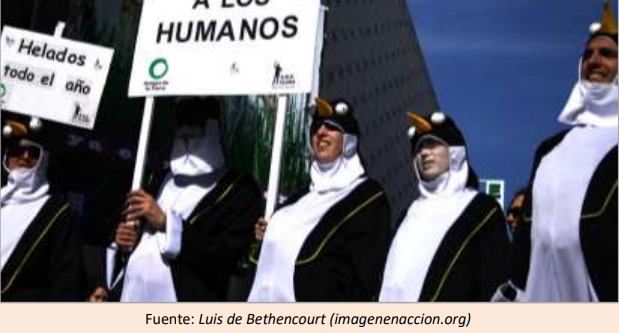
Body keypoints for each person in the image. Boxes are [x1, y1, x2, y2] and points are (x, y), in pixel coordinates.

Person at [502, 2, 618, 302]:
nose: (594, 61)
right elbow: (526, 241)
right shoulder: (550, 149)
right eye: (588, 54)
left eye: (607, 54)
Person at [112, 97, 264, 302]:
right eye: (181, 127)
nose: (186, 137)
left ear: (213, 131)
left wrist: (168, 223)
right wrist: (128, 239)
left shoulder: (239, 191)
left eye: (195, 129)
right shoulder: (157, 178)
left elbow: (222, 257)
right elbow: (138, 242)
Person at [247, 98, 391, 302]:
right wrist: (268, 236)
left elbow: (364, 276)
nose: (321, 132)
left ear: (349, 141)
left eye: (332, 127)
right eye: (316, 127)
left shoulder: (366, 197)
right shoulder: (299, 198)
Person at [379, 111, 509, 302]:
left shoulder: (480, 209)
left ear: (454, 152)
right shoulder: (407, 214)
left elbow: (494, 280)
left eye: (432, 143)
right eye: (419, 147)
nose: (424, 152)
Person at [1, 114, 82, 301]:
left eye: (33, 151)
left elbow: (66, 282)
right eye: (16, 150)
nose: (24, 156)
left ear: (44, 159)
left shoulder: (59, 213)